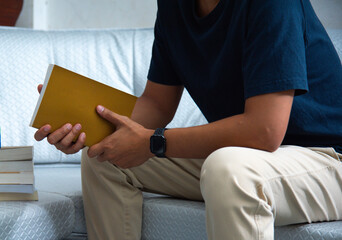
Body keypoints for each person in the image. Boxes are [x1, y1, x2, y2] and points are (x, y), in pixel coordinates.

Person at [34, 0, 342, 239]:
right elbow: (156, 103)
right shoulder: (174, 6)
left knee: (230, 168)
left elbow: (264, 131)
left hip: (327, 159)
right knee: (105, 156)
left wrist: (154, 142)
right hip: (252, 158)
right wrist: (84, 125)